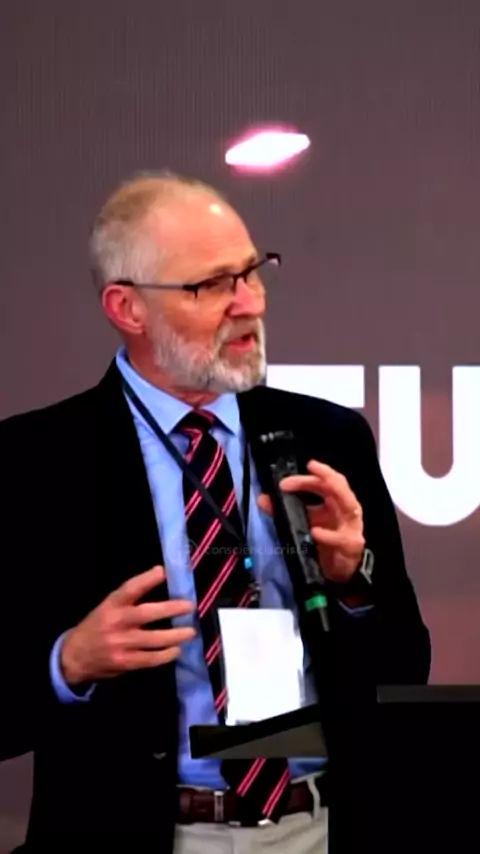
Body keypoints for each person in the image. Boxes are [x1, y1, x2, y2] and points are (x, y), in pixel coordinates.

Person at [0, 171, 430, 853]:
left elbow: (406, 669)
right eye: (211, 285)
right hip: (139, 834)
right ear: (127, 308)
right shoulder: (33, 460)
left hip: (317, 828)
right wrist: (67, 663)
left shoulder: (329, 437)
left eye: (253, 272)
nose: (250, 303)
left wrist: (354, 584)